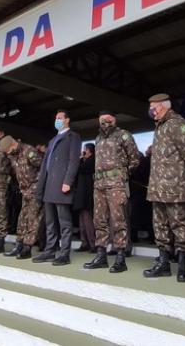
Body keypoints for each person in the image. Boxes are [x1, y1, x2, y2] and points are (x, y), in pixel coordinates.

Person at [143, 93, 185, 283]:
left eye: (153, 107)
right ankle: (164, 265)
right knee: (160, 227)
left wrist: (182, 177)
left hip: (175, 186)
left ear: (163, 106)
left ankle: (182, 268)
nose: (151, 111)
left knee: (179, 226)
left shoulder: (177, 124)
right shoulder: (160, 127)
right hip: (157, 188)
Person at [83, 112, 142, 273]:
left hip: (116, 183)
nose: (105, 122)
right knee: (99, 220)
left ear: (114, 120)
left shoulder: (123, 135)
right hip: (99, 184)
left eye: (109, 119)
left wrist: (122, 175)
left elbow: (135, 158)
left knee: (118, 220)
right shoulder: (98, 138)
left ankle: (120, 258)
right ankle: (101, 256)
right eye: (102, 120)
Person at [34, 110, 82, 266]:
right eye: (56, 118)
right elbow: (44, 165)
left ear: (67, 120)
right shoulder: (53, 140)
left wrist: (68, 181)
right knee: (50, 222)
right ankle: (50, 250)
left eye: (60, 118)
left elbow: (74, 161)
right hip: (49, 185)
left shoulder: (73, 137)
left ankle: (64, 253)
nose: (57, 121)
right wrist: (40, 186)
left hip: (62, 185)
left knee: (64, 222)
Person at [0, 136, 43, 260]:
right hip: (25, 191)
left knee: (33, 219)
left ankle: (27, 248)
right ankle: (19, 245)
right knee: (22, 219)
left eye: (8, 150)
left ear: (13, 144)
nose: (8, 154)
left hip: (34, 190)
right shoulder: (13, 155)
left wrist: (36, 186)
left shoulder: (29, 151)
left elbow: (43, 168)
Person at [72, 143, 96, 253]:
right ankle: (84, 243)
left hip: (87, 194)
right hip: (81, 194)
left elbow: (81, 169)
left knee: (87, 221)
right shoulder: (84, 161)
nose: (83, 152)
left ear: (89, 150)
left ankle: (92, 244)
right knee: (82, 221)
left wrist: (80, 159)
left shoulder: (92, 161)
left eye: (84, 150)